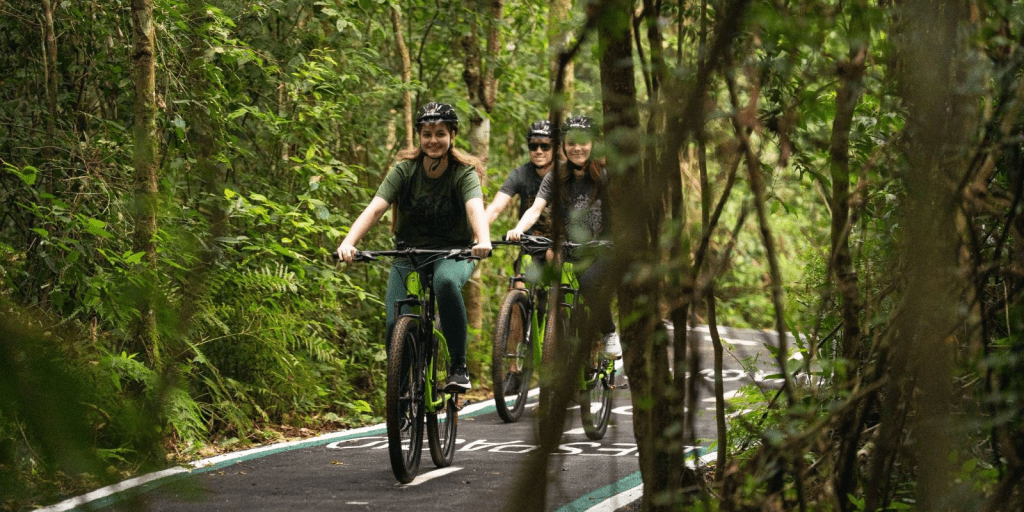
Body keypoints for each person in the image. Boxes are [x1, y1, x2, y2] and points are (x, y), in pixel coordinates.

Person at [337, 102, 492, 391]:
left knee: (446, 282)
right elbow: (375, 208)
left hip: (454, 252)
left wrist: (482, 240)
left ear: (453, 135)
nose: (433, 140)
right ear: (419, 136)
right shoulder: (404, 170)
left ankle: (458, 367)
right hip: (409, 254)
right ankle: (402, 388)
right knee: (395, 321)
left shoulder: (463, 172)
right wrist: (349, 242)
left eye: (440, 133)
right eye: (427, 134)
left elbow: (475, 208)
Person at [505, 115, 622, 359]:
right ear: (563, 146)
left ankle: (609, 333)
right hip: (569, 249)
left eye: (583, 142)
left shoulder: (605, 175)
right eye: (571, 143)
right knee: (557, 289)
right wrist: (518, 229)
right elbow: (536, 208)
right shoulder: (555, 177)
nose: (577, 148)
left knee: (588, 283)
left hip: (602, 250)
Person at [484, 120, 555, 236]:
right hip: (529, 241)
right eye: (533, 146)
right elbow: (495, 208)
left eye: (545, 146)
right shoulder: (521, 174)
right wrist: (477, 232)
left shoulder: (566, 173)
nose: (538, 151)